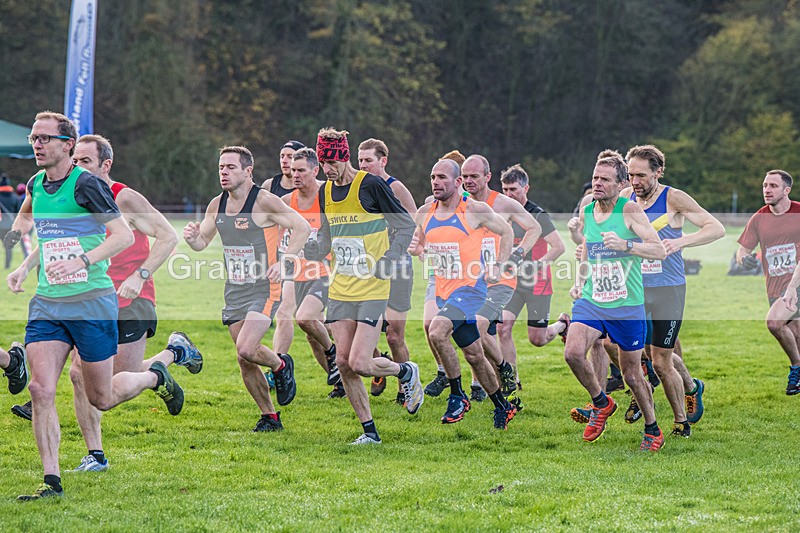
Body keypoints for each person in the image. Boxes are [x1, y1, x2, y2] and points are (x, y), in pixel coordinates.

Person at [8, 111, 188, 501]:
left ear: (66, 145)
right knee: (40, 389)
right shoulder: (37, 184)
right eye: (34, 139)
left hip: (92, 300)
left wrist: (85, 262)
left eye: (44, 138)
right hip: (49, 304)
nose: (37, 144)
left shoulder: (88, 185)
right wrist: (24, 266)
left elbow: (122, 236)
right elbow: (54, 237)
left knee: (100, 396)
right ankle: (51, 481)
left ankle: (156, 373)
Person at [306, 127, 423, 444]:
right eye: (322, 163)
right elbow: (328, 235)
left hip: (372, 288)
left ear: (343, 156)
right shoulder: (325, 193)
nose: (327, 170)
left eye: (331, 162)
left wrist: (390, 257)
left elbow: (405, 223)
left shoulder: (370, 185)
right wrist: (315, 248)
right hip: (340, 289)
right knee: (344, 364)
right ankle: (370, 433)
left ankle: (405, 371)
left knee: (360, 361)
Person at [183, 145, 310, 432]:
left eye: (230, 167)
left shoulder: (264, 201)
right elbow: (203, 242)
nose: (224, 172)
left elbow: (301, 226)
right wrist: (192, 239)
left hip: (264, 287)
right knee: (244, 359)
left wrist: (286, 259)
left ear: (248, 171)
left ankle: (280, 366)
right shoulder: (217, 204)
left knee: (247, 346)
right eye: (221, 168)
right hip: (234, 289)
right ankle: (270, 417)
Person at [564, 152, 667, 451]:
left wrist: (626, 245)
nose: (597, 183)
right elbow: (588, 250)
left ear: (621, 183)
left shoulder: (630, 210)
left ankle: (652, 428)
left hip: (626, 304)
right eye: (595, 178)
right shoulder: (587, 211)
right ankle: (601, 402)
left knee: (632, 375)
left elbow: (658, 251)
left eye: (604, 179)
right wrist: (578, 282)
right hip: (593, 300)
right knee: (572, 353)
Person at [409, 158, 519, 429]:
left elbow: (506, 231)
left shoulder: (474, 209)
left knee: (436, 332)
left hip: (471, 289)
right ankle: (502, 407)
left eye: (443, 177)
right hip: (444, 291)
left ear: (458, 182)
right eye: (433, 177)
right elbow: (420, 243)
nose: (436, 182)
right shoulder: (425, 211)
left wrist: (499, 264)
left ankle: (458, 395)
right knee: (474, 355)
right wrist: (417, 249)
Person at [621, 144, 722, 436]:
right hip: (634, 288)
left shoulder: (673, 198)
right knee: (619, 347)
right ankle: (670, 389)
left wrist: (680, 242)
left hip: (668, 288)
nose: (635, 181)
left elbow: (715, 227)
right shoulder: (626, 199)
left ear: (658, 171)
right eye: (630, 175)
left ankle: (682, 420)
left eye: (641, 175)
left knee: (661, 360)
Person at [460, 155, 542, 399]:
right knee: (473, 334)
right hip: (471, 279)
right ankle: (497, 373)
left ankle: (502, 371)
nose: (468, 181)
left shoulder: (503, 203)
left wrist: (516, 256)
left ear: (487, 177)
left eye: (474, 176)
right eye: (464, 177)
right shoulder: (460, 203)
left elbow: (534, 227)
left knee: (478, 326)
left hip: (500, 280)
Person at [495, 164, 567, 392]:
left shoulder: (538, 215)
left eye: (513, 189)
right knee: (502, 328)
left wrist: (536, 266)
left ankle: (563, 324)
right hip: (511, 284)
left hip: (537, 284)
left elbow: (559, 247)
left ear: (527, 188)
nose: (509, 194)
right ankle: (512, 381)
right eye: (505, 189)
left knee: (537, 339)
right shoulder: (502, 214)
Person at [357, 138, 417, 404]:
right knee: (359, 327)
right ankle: (379, 365)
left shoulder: (396, 188)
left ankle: (405, 387)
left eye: (368, 160)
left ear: (383, 161)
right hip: (368, 271)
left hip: (398, 269)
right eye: (359, 161)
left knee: (394, 335)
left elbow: (413, 222)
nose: (363, 165)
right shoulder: (358, 189)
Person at [282, 147, 341, 397]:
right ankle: (340, 382)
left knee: (305, 318)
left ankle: (334, 354)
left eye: (301, 171)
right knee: (312, 333)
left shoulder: (329, 196)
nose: (295, 175)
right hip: (299, 273)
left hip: (329, 270)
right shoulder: (287, 202)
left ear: (315, 171)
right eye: (293, 170)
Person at [737, 169, 800, 395]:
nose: (767, 190)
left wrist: (793, 287)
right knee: (795, 335)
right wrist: (744, 260)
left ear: (786, 190)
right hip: (775, 287)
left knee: (774, 323)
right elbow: (743, 249)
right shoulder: (759, 218)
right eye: (765, 185)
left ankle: (796, 369)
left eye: (773, 186)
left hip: (796, 284)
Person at [264, 140, 305, 377]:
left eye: (290, 156)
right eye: (282, 155)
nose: (285, 160)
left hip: (315, 259)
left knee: (323, 324)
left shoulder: (315, 188)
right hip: (285, 257)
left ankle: (372, 357)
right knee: (284, 312)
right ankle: (277, 371)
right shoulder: (272, 185)